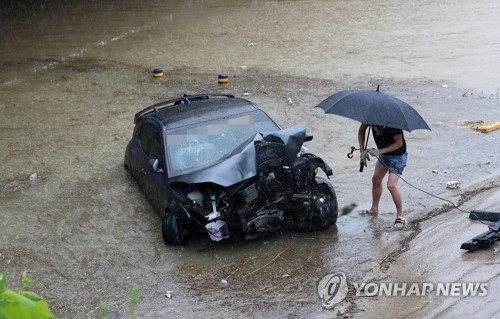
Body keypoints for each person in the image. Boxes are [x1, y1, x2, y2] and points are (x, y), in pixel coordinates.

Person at [358, 124, 408, 229]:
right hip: (384, 155)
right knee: (376, 179)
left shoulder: (393, 122)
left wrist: (378, 151)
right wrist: (362, 151)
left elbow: (399, 143)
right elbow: (361, 131)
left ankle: (400, 216)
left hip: (398, 155)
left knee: (391, 185)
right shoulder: (371, 117)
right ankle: (374, 209)